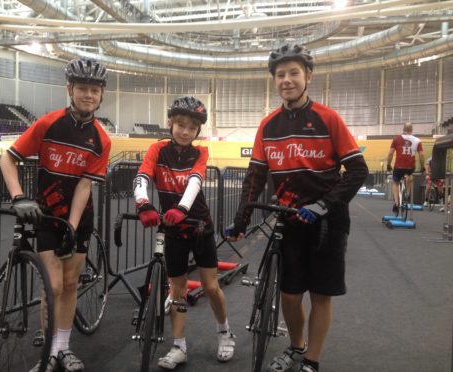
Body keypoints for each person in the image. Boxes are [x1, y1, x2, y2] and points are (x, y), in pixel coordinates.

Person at [227, 44, 368, 372]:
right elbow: (255, 178)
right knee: (290, 296)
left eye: (294, 73)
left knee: (320, 295)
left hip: (327, 222)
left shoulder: (328, 118)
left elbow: (358, 171)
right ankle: (296, 346)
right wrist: (239, 222)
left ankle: (312, 361)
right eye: (280, 75)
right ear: (274, 80)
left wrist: (324, 205)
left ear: (308, 77)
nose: (286, 80)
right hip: (290, 219)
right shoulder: (268, 125)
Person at [0, 58, 111, 372]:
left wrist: (73, 228)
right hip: (46, 215)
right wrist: (19, 197)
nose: (88, 95)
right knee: (55, 287)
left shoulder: (102, 138)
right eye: (82, 88)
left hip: (78, 217)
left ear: (101, 94)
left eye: (94, 89)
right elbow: (6, 159)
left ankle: (63, 349)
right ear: (69, 89)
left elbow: (85, 185)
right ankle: (48, 352)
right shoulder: (48, 124)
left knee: (72, 283)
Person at [133, 96, 236, 370]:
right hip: (173, 229)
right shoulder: (157, 149)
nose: (185, 131)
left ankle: (225, 332)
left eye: (192, 127)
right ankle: (179, 346)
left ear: (197, 131)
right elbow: (142, 176)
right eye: (180, 124)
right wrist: (143, 204)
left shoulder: (200, 152)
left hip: (199, 227)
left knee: (211, 287)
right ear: (171, 123)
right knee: (177, 289)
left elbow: (195, 180)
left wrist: (181, 207)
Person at [386, 122, 425, 213]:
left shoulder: (396, 139)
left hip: (398, 166)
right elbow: (422, 155)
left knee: (395, 183)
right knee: (410, 176)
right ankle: (407, 193)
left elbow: (390, 153)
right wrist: (422, 166)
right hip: (410, 166)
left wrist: (388, 164)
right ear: (411, 130)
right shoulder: (417, 140)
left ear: (403, 129)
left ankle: (396, 203)